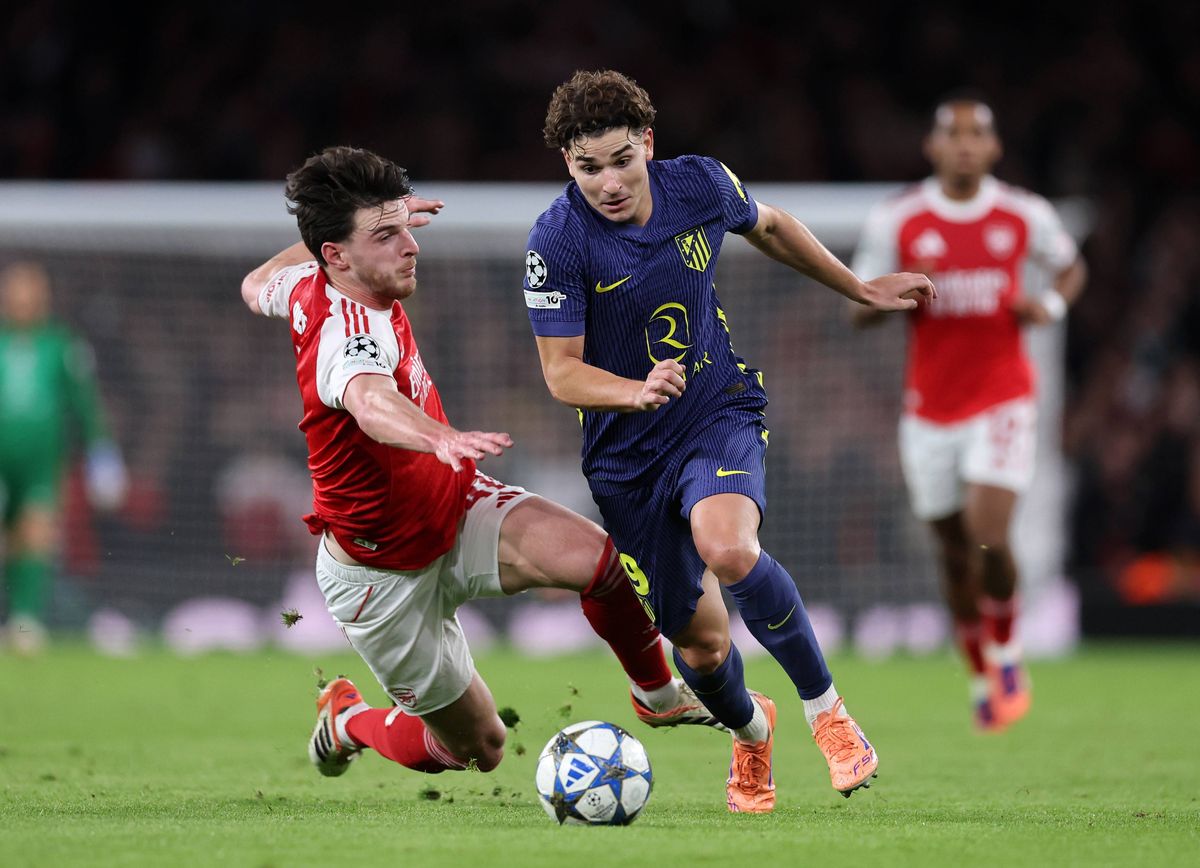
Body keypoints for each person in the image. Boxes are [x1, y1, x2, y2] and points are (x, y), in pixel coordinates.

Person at [240, 145, 724, 782]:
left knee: (603, 565)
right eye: (387, 236)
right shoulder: (345, 336)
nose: (410, 245)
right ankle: (347, 721)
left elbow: (254, 284)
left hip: (456, 508)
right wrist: (434, 435)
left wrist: (374, 225)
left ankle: (657, 696)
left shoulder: (307, 281)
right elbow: (371, 401)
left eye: (406, 228)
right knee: (479, 748)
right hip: (380, 572)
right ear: (338, 256)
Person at [523, 69, 936, 813]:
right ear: (567, 165)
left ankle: (831, 717)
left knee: (730, 548)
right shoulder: (556, 241)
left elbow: (771, 226)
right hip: (626, 460)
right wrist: (633, 390)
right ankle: (751, 732)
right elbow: (560, 373)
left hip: (716, 408)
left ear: (647, 143)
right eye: (588, 167)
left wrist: (861, 286)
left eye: (621, 159)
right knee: (703, 649)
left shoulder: (701, 184)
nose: (609, 181)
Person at [850, 95, 1087, 731]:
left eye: (975, 134)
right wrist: (896, 289)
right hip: (929, 412)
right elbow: (858, 308)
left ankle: (1008, 650)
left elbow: (1071, 268)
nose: (963, 144)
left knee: (989, 532)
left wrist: (1052, 309)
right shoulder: (899, 219)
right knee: (954, 553)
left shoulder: (1023, 214)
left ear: (993, 148)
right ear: (931, 147)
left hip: (1004, 398)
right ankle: (979, 664)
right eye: (950, 134)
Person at [0, 261, 127, 654]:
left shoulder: (61, 345)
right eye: (13, 288)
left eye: (28, 288)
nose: (20, 296)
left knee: (36, 533)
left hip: (41, 462)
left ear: (43, 296)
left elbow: (85, 405)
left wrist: (101, 453)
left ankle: (24, 622)